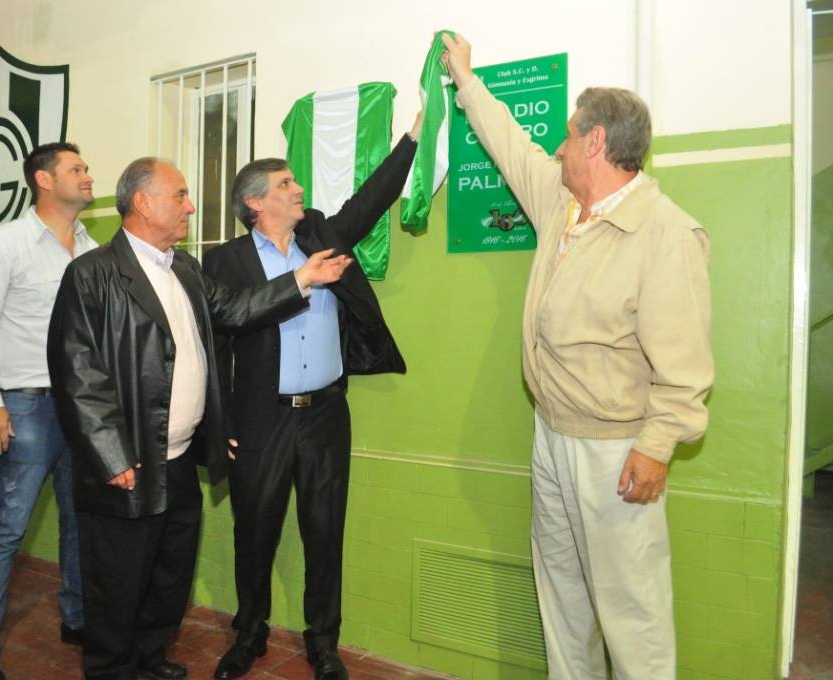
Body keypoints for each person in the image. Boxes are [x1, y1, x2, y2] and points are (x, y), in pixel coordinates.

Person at [439, 34, 714, 680]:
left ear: (595, 142)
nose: (557, 147)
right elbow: (511, 144)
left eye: (568, 136)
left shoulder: (664, 233)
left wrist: (657, 445)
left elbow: (685, 365)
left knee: (632, 610)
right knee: (562, 596)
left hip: (617, 450)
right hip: (552, 435)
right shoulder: (563, 205)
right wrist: (465, 79)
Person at [47, 157, 352, 680]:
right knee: (118, 583)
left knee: (168, 574)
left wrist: (302, 277)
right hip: (129, 462)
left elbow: (235, 310)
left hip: (182, 457)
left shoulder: (184, 267)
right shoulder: (93, 273)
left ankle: (148, 658)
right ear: (143, 203)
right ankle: (114, 669)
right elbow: (77, 374)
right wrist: (110, 454)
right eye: (181, 196)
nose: (191, 207)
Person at [203, 114, 420, 680]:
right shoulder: (224, 261)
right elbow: (214, 345)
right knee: (254, 534)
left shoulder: (320, 234)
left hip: (325, 415)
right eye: (285, 184)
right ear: (256, 203)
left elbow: (371, 200)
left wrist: (414, 138)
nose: (298, 189)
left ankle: (323, 642)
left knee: (325, 533)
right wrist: (219, 420)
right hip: (258, 420)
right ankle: (248, 635)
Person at [0, 142, 96, 680]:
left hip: (81, 408)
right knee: (4, 529)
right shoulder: (2, 245)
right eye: (76, 169)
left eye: (86, 169)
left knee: (81, 521)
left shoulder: (91, 247)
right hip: (25, 405)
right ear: (43, 179)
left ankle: (79, 619)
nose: (88, 176)